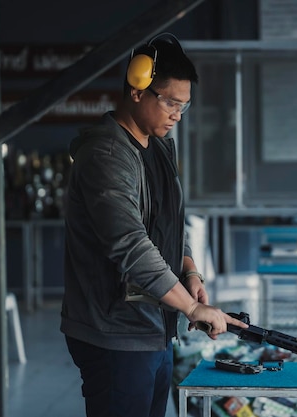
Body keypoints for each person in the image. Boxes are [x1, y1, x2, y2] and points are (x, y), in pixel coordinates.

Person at [60, 33, 247, 417]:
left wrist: (190, 270)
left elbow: (169, 222)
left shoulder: (159, 148)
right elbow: (130, 245)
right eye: (171, 103)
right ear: (137, 91)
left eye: (184, 105)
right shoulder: (107, 156)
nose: (178, 114)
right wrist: (192, 311)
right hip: (114, 335)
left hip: (153, 328)